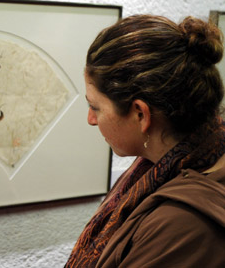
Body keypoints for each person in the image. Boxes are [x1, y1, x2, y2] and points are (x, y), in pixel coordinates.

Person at [65, 15, 225, 267]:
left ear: (141, 114)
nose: (91, 120)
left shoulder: (183, 223)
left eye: (95, 107)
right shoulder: (159, 166)